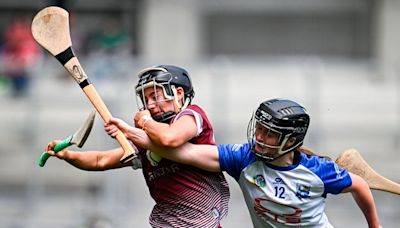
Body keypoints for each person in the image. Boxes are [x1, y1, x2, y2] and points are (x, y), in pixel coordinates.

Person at [107, 98, 381, 228]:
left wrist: (375, 226)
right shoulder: (243, 158)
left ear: (291, 140)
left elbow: (360, 186)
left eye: (269, 133)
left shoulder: (318, 172)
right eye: (259, 129)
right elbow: (184, 153)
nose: (259, 137)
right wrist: (131, 131)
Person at [46, 65, 229, 228]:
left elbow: (169, 138)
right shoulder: (146, 140)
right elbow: (100, 161)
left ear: (179, 94)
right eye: (145, 99)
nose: (149, 105)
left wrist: (142, 123)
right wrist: (68, 156)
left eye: (155, 96)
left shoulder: (191, 115)